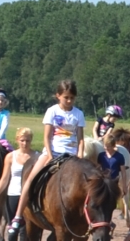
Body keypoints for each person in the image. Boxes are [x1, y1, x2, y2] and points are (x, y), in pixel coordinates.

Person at [18, 80, 85, 211]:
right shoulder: (52, 111)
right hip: (53, 151)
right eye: (66, 97)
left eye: (72, 98)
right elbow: (47, 136)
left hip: (72, 154)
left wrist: (80, 155)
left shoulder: (78, 114)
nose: (69, 101)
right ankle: (19, 213)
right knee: (31, 178)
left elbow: (80, 139)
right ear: (58, 96)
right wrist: (49, 154)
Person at [0, 124, 35, 241]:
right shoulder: (10, 157)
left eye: (28, 140)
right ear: (17, 140)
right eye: (22, 140)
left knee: (25, 228)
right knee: (12, 227)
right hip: (13, 193)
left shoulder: (37, 156)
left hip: (29, 196)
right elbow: (4, 178)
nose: (25, 143)